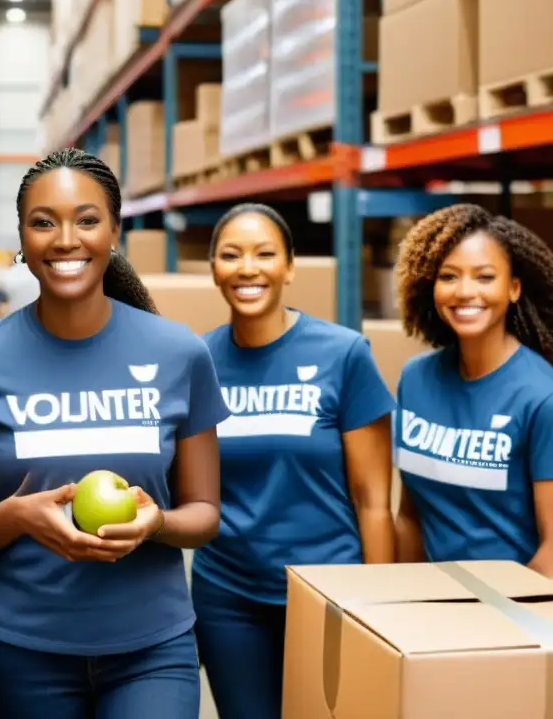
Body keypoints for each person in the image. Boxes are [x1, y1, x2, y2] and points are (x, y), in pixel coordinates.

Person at [0, 147, 228, 719]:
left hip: (152, 649)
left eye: (87, 220)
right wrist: (18, 516)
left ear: (114, 231)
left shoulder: (179, 352)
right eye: (44, 222)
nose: (66, 239)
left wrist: (155, 523)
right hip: (25, 650)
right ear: (21, 236)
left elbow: (205, 515)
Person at [191, 203, 396, 719]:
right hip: (228, 596)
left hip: (333, 593)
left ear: (289, 266)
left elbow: (374, 499)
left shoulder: (344, 354)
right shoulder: (197, 362)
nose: (247, 268)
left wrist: (382, 605)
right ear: (214, 268)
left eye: (265, 254)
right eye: (231, 255)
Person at [392, 203, 553, 577]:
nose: (465, 292)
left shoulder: (541, 397)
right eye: (448, 276)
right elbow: (410, 517)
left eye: (484, 277)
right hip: (429, 608)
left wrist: (488, 621)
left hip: (513, 614)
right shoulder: (415, 380)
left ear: (513, 288)